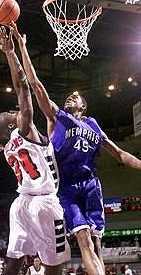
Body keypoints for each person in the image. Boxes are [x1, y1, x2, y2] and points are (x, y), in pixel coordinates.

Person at [11, 22, 141, 275]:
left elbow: (121, 154)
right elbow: (36, 86)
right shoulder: (57, 118)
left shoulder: (93, 126)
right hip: (67, 188)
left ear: (83, 105)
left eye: (75, 96)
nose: (70, 97)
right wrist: (22, 47)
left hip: (91, 185)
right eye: (68, 96)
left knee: (96, 242)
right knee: (82, 239)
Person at [0, 25, 70, 275]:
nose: (16, 111)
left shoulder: (7, 150)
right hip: (44, 203)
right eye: (12, 114)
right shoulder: (23, 130)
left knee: (14, 261)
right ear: (12, 125)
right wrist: (10, 53)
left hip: (21, 204)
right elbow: (23, 87)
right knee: (53, 263)